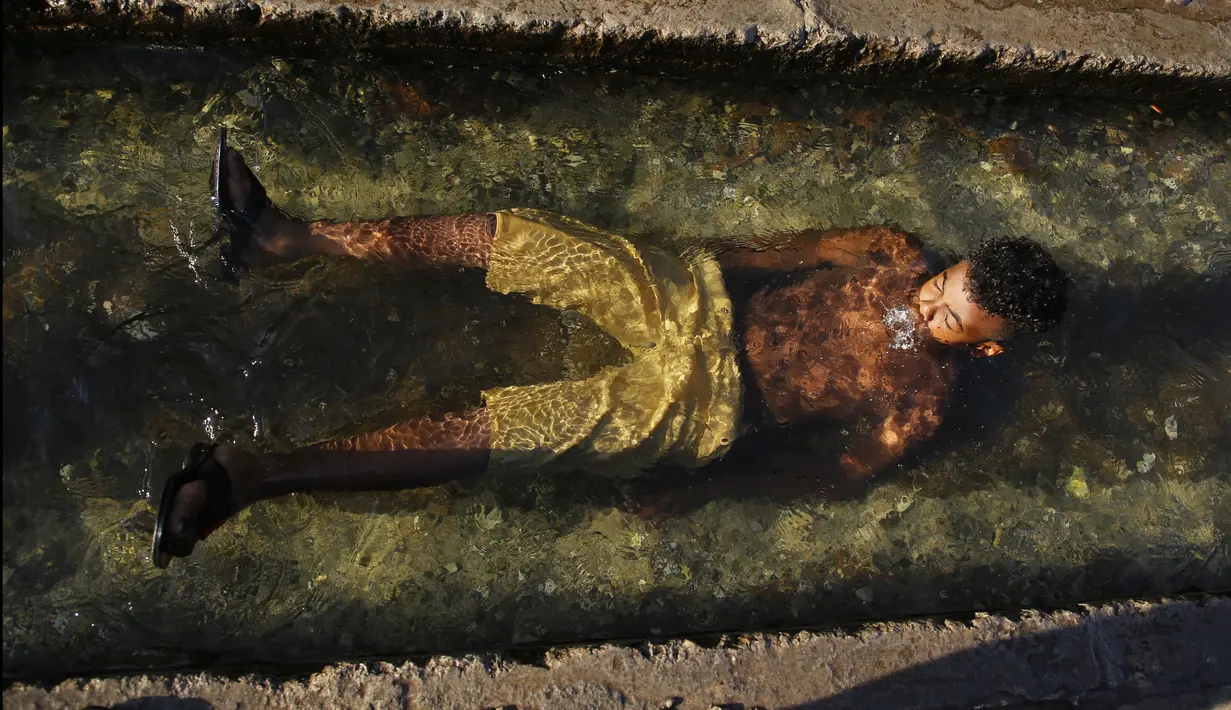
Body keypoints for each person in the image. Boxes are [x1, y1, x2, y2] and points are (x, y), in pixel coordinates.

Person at [151, 129, 1070, 568]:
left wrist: (707, 490)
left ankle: (254, 475)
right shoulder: (887, 248)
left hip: (708, 407)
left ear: (985, 351)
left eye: (949, 320)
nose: (925, 305)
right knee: (536, 241)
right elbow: (774, 255)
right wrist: (674, 262)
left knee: (522, 427)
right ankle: (285, 238)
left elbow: (836, 475)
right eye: (939, 285)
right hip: (698, 302)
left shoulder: (925, 403)